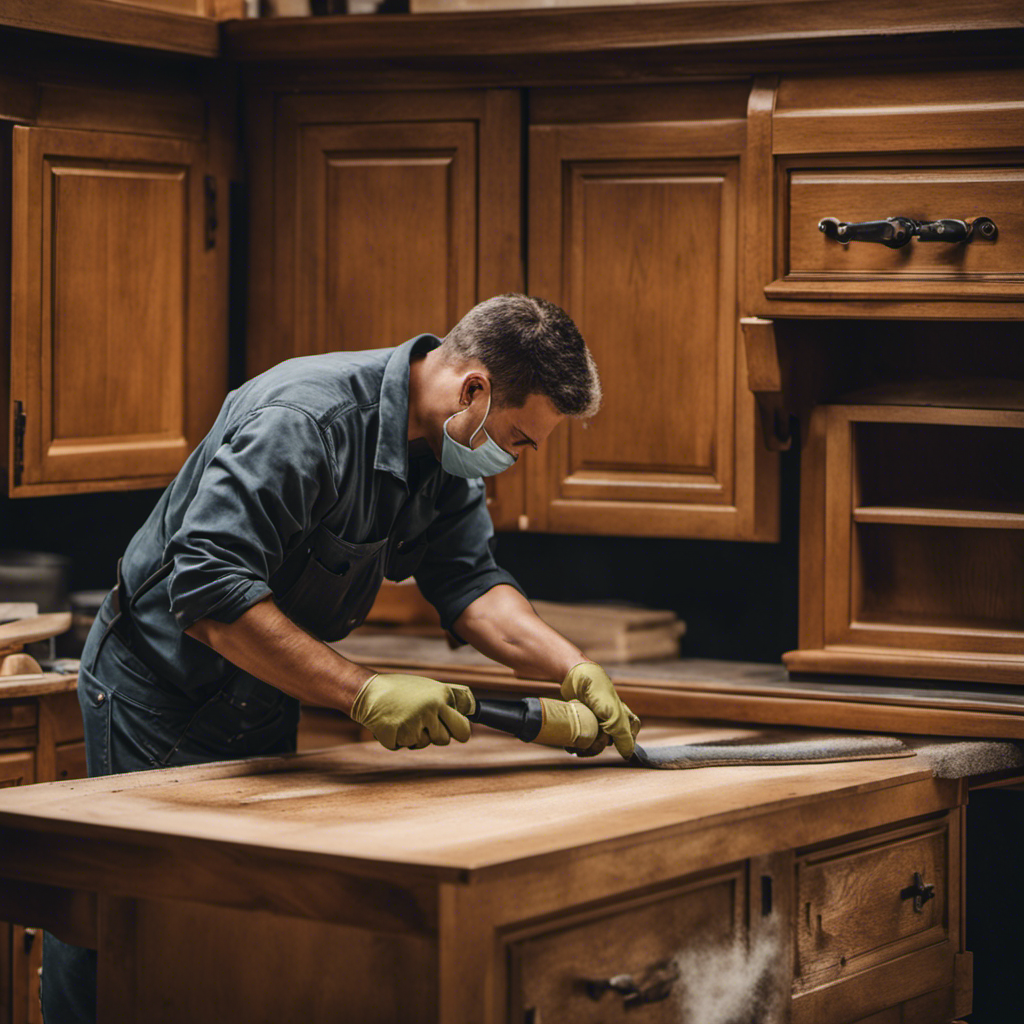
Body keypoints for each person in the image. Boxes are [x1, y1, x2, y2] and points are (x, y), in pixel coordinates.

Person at [41, 292, 640, 1023]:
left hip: (262, 690)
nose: (518, 457)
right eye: (521, 438)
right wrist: (363, 692)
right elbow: (207, 595)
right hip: (159, 686)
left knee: (234, 922)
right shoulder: (305, 419)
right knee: (132, 916)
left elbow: (471, 583)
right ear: (475, 390)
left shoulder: (448, 450)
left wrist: (572, 668)